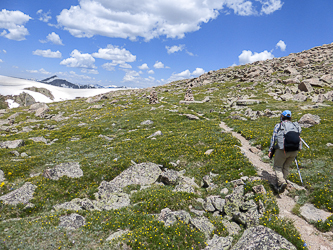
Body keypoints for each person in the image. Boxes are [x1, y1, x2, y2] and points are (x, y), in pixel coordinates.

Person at [268, 110, 302, 193]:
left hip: (282, 150)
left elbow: (274, 138)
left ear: (282, 116)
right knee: (286, 166)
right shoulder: (295, 125)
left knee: (278, 167)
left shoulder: (279, 125)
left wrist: (271, 149)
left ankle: (281, 182)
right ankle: (284, 180)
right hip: (294, 150)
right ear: (290, 117)